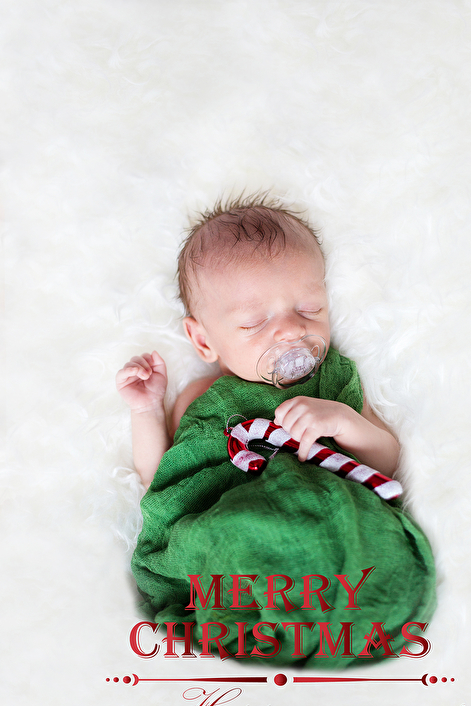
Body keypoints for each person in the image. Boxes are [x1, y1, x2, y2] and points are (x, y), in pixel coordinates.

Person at [116, 195, 436, 668]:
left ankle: (335, 623)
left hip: (332, 525)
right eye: (255, 321)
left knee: (373, 556)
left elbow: (386, 462)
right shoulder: (199, 399)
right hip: (231, 529)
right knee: (231, 552)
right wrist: (145, 410)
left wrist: (343, 420)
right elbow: (160, 479)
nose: (289, 331)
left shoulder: (334, 382)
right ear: (204, 340)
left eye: (309, 309)